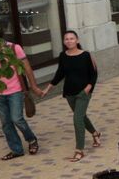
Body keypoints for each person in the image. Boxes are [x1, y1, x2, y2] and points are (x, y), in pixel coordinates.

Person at [35, 29, 101, 162]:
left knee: (77, 119)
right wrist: (48, 88)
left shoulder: (86, 55)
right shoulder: (63, 56)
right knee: (81, 116)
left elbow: (94, 74)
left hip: (83, 93)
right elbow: (60, 74)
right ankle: (95, 133)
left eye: (72, 38)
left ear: (77, 40)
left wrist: (88, 88)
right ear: (64, 42)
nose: (69, 41)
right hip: (69, 93)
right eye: (67, 39)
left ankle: (79, 150)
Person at [0, 38, 39, 161]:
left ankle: (31, 139)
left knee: (17, 118)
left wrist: (34, 86)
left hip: (15, 90)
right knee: (6, 123)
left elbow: (27, 68)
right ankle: (16, 150)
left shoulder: (14, 48)